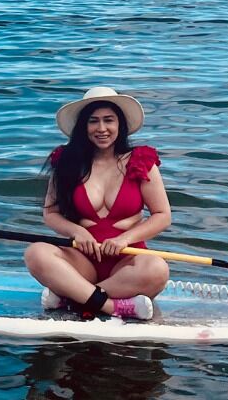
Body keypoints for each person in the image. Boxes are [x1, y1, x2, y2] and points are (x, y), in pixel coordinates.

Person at [24, 86, 171, 320]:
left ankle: (71, 295)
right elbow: (50, 212)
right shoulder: (67, 161)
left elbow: (162, 215)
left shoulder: (141, 161)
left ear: (120, 125)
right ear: (84, 126)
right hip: (81, 261)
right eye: (93, 121)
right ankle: (112, 306)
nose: (101, 129)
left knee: (158, 270)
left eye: (108, 120)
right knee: (35, 253)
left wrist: (125, 239)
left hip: (127, 262)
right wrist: (76, 231)